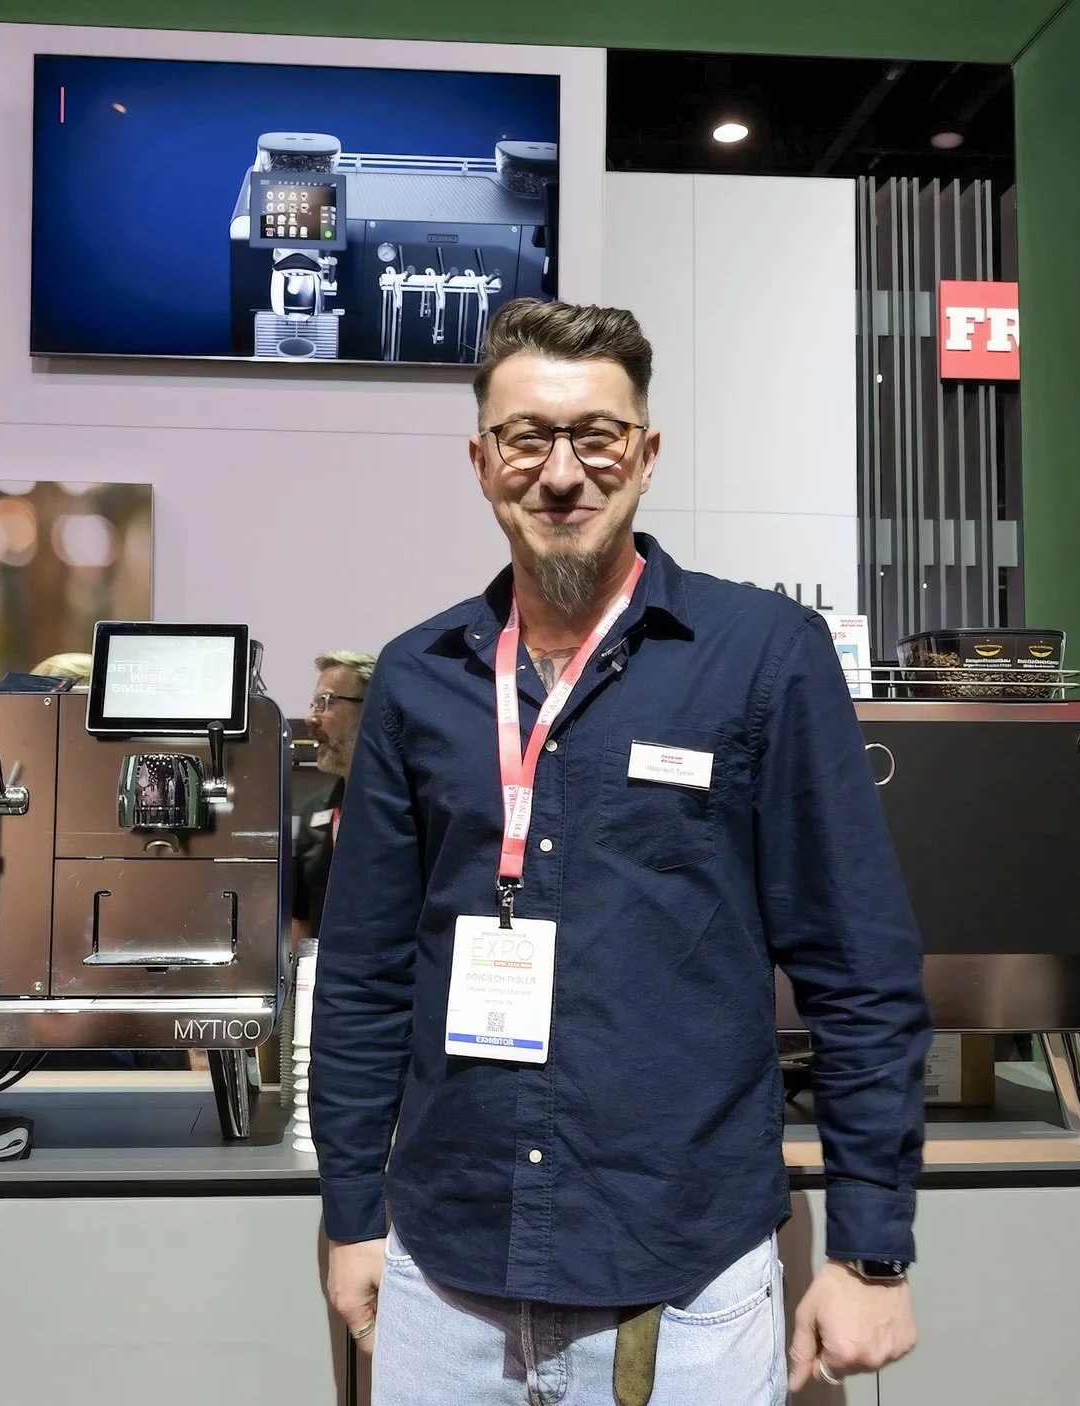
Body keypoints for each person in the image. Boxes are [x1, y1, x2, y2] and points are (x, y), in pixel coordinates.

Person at [309, 299, 930, 1403]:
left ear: (645, 455)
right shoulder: (416, 677)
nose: (561, 471)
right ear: (479, 459)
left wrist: (868, 1246)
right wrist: (352, 1211)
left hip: (686, 1282)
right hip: (445, 1281)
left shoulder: (760, 658)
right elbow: (362, 976)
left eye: (596, 434)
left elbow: (858, 966)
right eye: (525, 437)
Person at [292, 649, 375, 939]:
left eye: (325, 703)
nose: (310, 719)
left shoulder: (411, 804)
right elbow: (298, 917)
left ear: (372, 708)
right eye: (314, 704)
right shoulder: (316, 809)